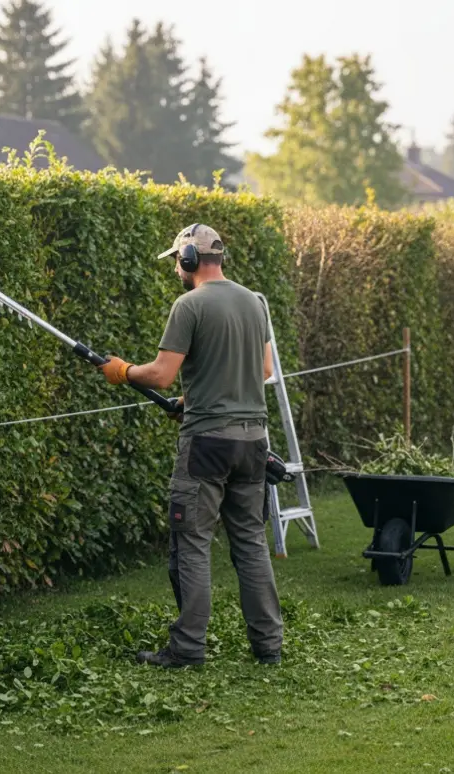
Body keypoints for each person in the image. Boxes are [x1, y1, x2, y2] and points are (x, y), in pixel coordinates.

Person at [98, 223, 284, 668]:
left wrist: (123, 371)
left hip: (206, 445)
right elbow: (262, 371)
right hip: (253, 441)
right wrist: (190, 399)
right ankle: (268, 648)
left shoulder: (189, 305)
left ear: (188, 258)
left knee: (193, 543)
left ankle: (186, 649)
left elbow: (160, 375)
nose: (177, 271)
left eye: (177, 262)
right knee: (251, 544)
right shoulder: (254, 302)